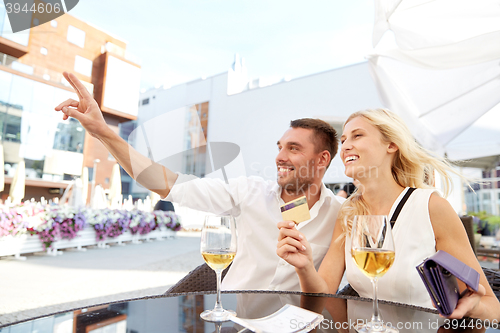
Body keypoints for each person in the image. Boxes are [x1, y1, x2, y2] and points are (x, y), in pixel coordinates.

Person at [54, 72, 343, 291]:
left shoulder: (341, 215)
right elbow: (168, 184)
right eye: (279, 146)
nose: (279, 156)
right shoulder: (248, 192)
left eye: (293, 148)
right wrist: (104, 132)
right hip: (232, 320)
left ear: (321, 160)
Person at [277, 108, 500, 321]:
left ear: (391, 144)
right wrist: (304, 266)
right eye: (343, 140)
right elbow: (323, 293)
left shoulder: (430, 206)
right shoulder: (349, 212)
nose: (345, 146)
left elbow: (494, 308)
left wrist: (475, 306)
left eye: (357, 136)